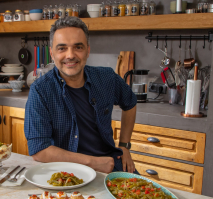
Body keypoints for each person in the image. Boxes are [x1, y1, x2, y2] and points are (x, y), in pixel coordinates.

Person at [24, 16, 138, 174]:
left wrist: (125, 146)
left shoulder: (107, 78)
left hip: (111, 164)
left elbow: (130, 103)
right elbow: (39, 150)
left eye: (78, 47)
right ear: (52, 53)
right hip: (66, 172)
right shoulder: (40, 90)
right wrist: (92, 162)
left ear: (88, 50)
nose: (70, 55)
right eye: (62, 48)